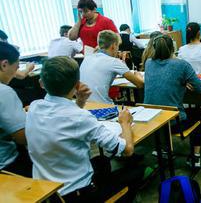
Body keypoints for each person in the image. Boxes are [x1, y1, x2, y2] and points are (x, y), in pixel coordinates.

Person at [26, 56, 145, 202]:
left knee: (102, 161)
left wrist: (80, 101)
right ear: (77, 85)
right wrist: (125, 122)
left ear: (41, 83)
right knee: (137, 171)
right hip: (77, 194)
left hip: (47, 192)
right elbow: (127, 150)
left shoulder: (33, 108)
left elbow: (65, 119)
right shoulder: (80, 117)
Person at [144, 35, 201, 168]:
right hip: (173, 122)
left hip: (151, 120)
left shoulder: (148, 63)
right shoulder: (181, 64)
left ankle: (165, 149)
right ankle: (195, 157)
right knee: (199, 113)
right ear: (173, 49)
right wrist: (185, 83)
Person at [80, 30, 143, 104]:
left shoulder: (87, 58)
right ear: (113, 46)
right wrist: (138, 75)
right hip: (103, 107)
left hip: (83, 105)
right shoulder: (114, 62)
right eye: (118, 46)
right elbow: (140, 84)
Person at [0, 42, 32, 177]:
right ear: (4, 64)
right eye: (16, 67)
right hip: (8, 166)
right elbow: (23, 137)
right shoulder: (4, 92)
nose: (15, 74)